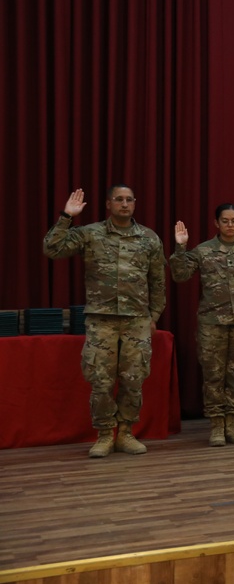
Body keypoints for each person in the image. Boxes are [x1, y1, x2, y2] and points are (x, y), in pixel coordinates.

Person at [43, 186, 166, 458]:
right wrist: (66, 216)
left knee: (134, 379)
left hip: (136, 320)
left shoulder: (149, 238)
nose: (124, 204)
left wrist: (154, 316)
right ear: (108, 204)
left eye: (129, 200)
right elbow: (52, 249)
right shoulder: (91, 233)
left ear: (135, 203)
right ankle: (104, 434)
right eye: (119, 200)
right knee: (100, 380)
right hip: (101, 319)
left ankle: (125, 433)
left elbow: (157, 281)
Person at [169, 203, 234, 446]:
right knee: (213, 375)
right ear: (216, 223)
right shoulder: (203, 251)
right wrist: (181, 247)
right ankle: (216, 426)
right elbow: (180, 275)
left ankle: (232, 424)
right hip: (212, 322)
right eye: (225, 220)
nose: (230, 225)